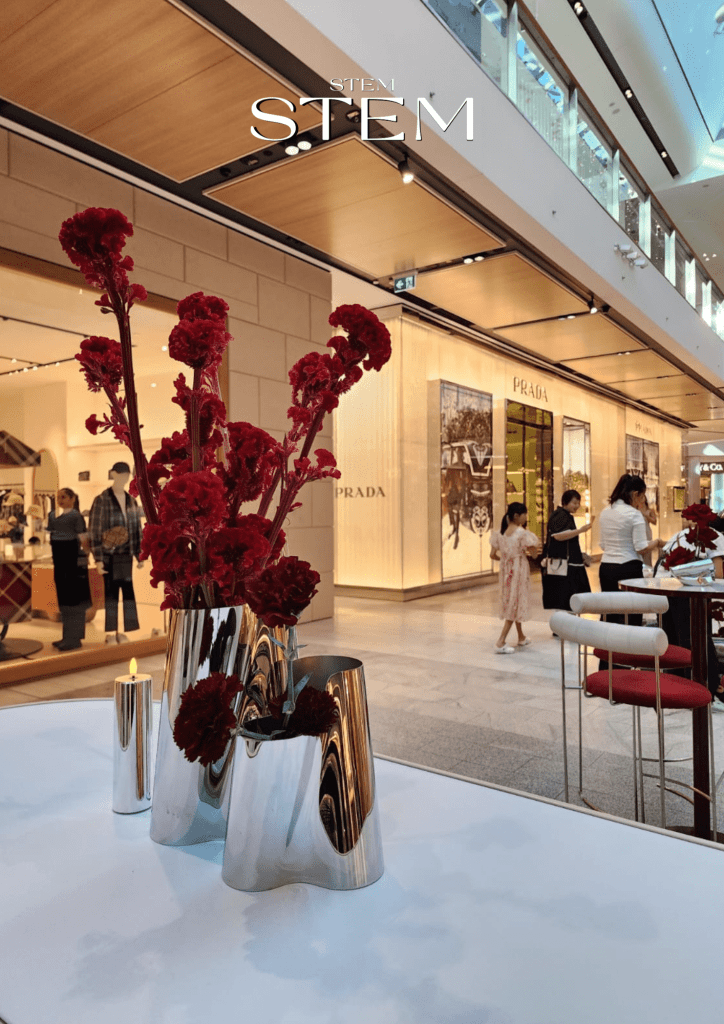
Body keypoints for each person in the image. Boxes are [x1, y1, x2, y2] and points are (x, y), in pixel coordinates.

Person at [598, 474, 665, 627]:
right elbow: (641, 548)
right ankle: (629, 649)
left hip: (606, 567)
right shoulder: (634, 514)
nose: (642, 500)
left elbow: (602, 545)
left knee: (609, 611)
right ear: (635, 494)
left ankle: (608, 648)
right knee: (632, 612)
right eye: (642, 496)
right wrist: (656, 542)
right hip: (628, 568)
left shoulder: (605, 512)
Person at [88, 462, 144, 643]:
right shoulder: (102, 499)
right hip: (109, 555)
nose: (124, 479)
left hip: (126, 554)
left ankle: (126, 629)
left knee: (128, 592)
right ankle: (111, 631)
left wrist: (139, 554)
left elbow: (136, 529)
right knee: (111, 594)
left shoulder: (131, 500)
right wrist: (98, 558)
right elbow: (95, 529)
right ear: (112, 474)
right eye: (120, 475)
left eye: (126, 475)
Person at [490, 501, 541, 653]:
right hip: (519, 571)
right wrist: (524, 555)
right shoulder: (522, 533)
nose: (526, 517)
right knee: (515, 601)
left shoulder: (499, 533)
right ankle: (500, 641)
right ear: (517, 516)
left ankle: (521, 636)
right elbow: (534, 553)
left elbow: (492, 555)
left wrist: (506, 560)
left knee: (512, 600)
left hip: (506, 571)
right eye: (525, 514)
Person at [47, 488, 91, 651]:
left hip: (72, 561)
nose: (60, 500)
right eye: (58, 497)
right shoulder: (52, 515)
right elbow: (51, 536)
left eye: (64, 497)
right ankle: (67, 636)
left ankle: (74, 638)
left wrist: (86, 556)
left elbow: (84, 539)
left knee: (74, 599)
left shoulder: (75, 516)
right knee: (64, 598)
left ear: (72, 499)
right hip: (59, 562)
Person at [542, 489, 595, 610]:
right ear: (565, 502)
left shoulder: (564, 515)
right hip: (564, 567)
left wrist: (580, 554)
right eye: (574, 502)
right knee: (566, 600)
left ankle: (566, 626)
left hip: (567, 565)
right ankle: (562, 627)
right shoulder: (560, 515)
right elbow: (558, 536)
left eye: (578, 503)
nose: (577, 506)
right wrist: (581, 530)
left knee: (567, 601)